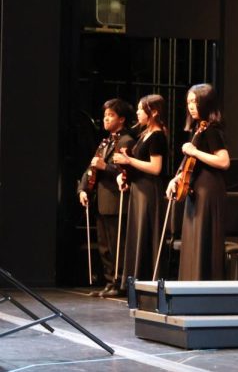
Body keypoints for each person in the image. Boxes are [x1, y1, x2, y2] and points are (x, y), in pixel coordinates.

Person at [168, 84, 230, 281]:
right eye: (189, 102)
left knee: (204, 238)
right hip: (196, 187)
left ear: (206, 103)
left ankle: (203, 284)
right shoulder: (198, 128)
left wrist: (194, 151)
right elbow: (190, 163)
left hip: (209, 188)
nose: (191, 106)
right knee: (193, 238)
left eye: (195, 101)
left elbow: (224, 161)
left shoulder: (211, 129)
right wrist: (176, 178)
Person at [78, 99, 135, 296]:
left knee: (116, 244)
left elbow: (126, 172)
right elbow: (91, 167)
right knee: (104, 246)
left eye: (110, 115)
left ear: (121, 119)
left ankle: (120, 282)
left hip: (116, 199)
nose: (106, 119)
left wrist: (106, 167)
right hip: (101, 200)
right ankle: (109, 281)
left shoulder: (127, 140)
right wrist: (83, 189)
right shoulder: (105, 141)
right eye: (105, 116)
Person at [111, 94, 167, 288]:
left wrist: (129, 161)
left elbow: (155, 167)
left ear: (153, 112)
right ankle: (134, 281)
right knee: (137, 233)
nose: (137, 112)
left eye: (141, 109)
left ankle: (148, 280)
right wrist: (125, 174)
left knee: (146, 232)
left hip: (149, 191)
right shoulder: (144, 133)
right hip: (138, 188)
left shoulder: (158, 134)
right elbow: (137, 164)